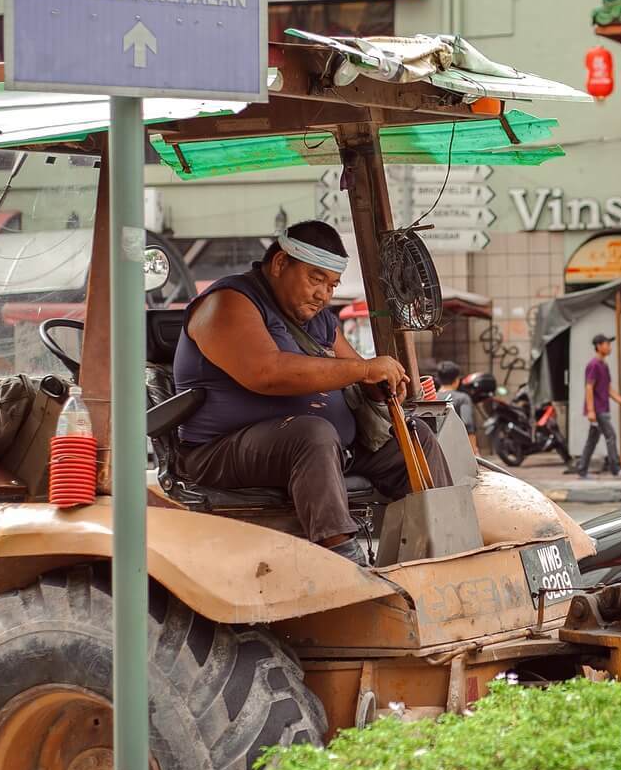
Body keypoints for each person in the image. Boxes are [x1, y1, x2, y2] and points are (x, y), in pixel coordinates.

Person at [171, 221, 445, 567]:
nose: (324, 295)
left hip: (326, 450)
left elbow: (358, 375)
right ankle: (344, 561)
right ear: (281, 264)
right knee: (310, 433)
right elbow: (266, 374)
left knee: (415, 434)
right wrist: (364, 369)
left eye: (332, 285)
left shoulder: (320, 321)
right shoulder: (228, 303)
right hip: (221, 452)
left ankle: (440, 549)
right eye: (315, 279)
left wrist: (381, 387)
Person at [575, 333, 621, 479]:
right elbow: (589, 387)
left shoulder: (604, 365)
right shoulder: (593, 365)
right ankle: (616, 469)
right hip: (598, 409)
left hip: (602, 408)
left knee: (592, 440)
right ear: (599, 346)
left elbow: (607, 388)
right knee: (611, 436)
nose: (609, 347)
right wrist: (590, 411)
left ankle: (582, 470)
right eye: (607, 344)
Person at [436, 359, 479, 454]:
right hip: (458, 451)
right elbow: (467, 424)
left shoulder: (430, 399)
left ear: (438, 379)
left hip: (436, 450)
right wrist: (473, 453)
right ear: (457, 380)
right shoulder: (462, 398)